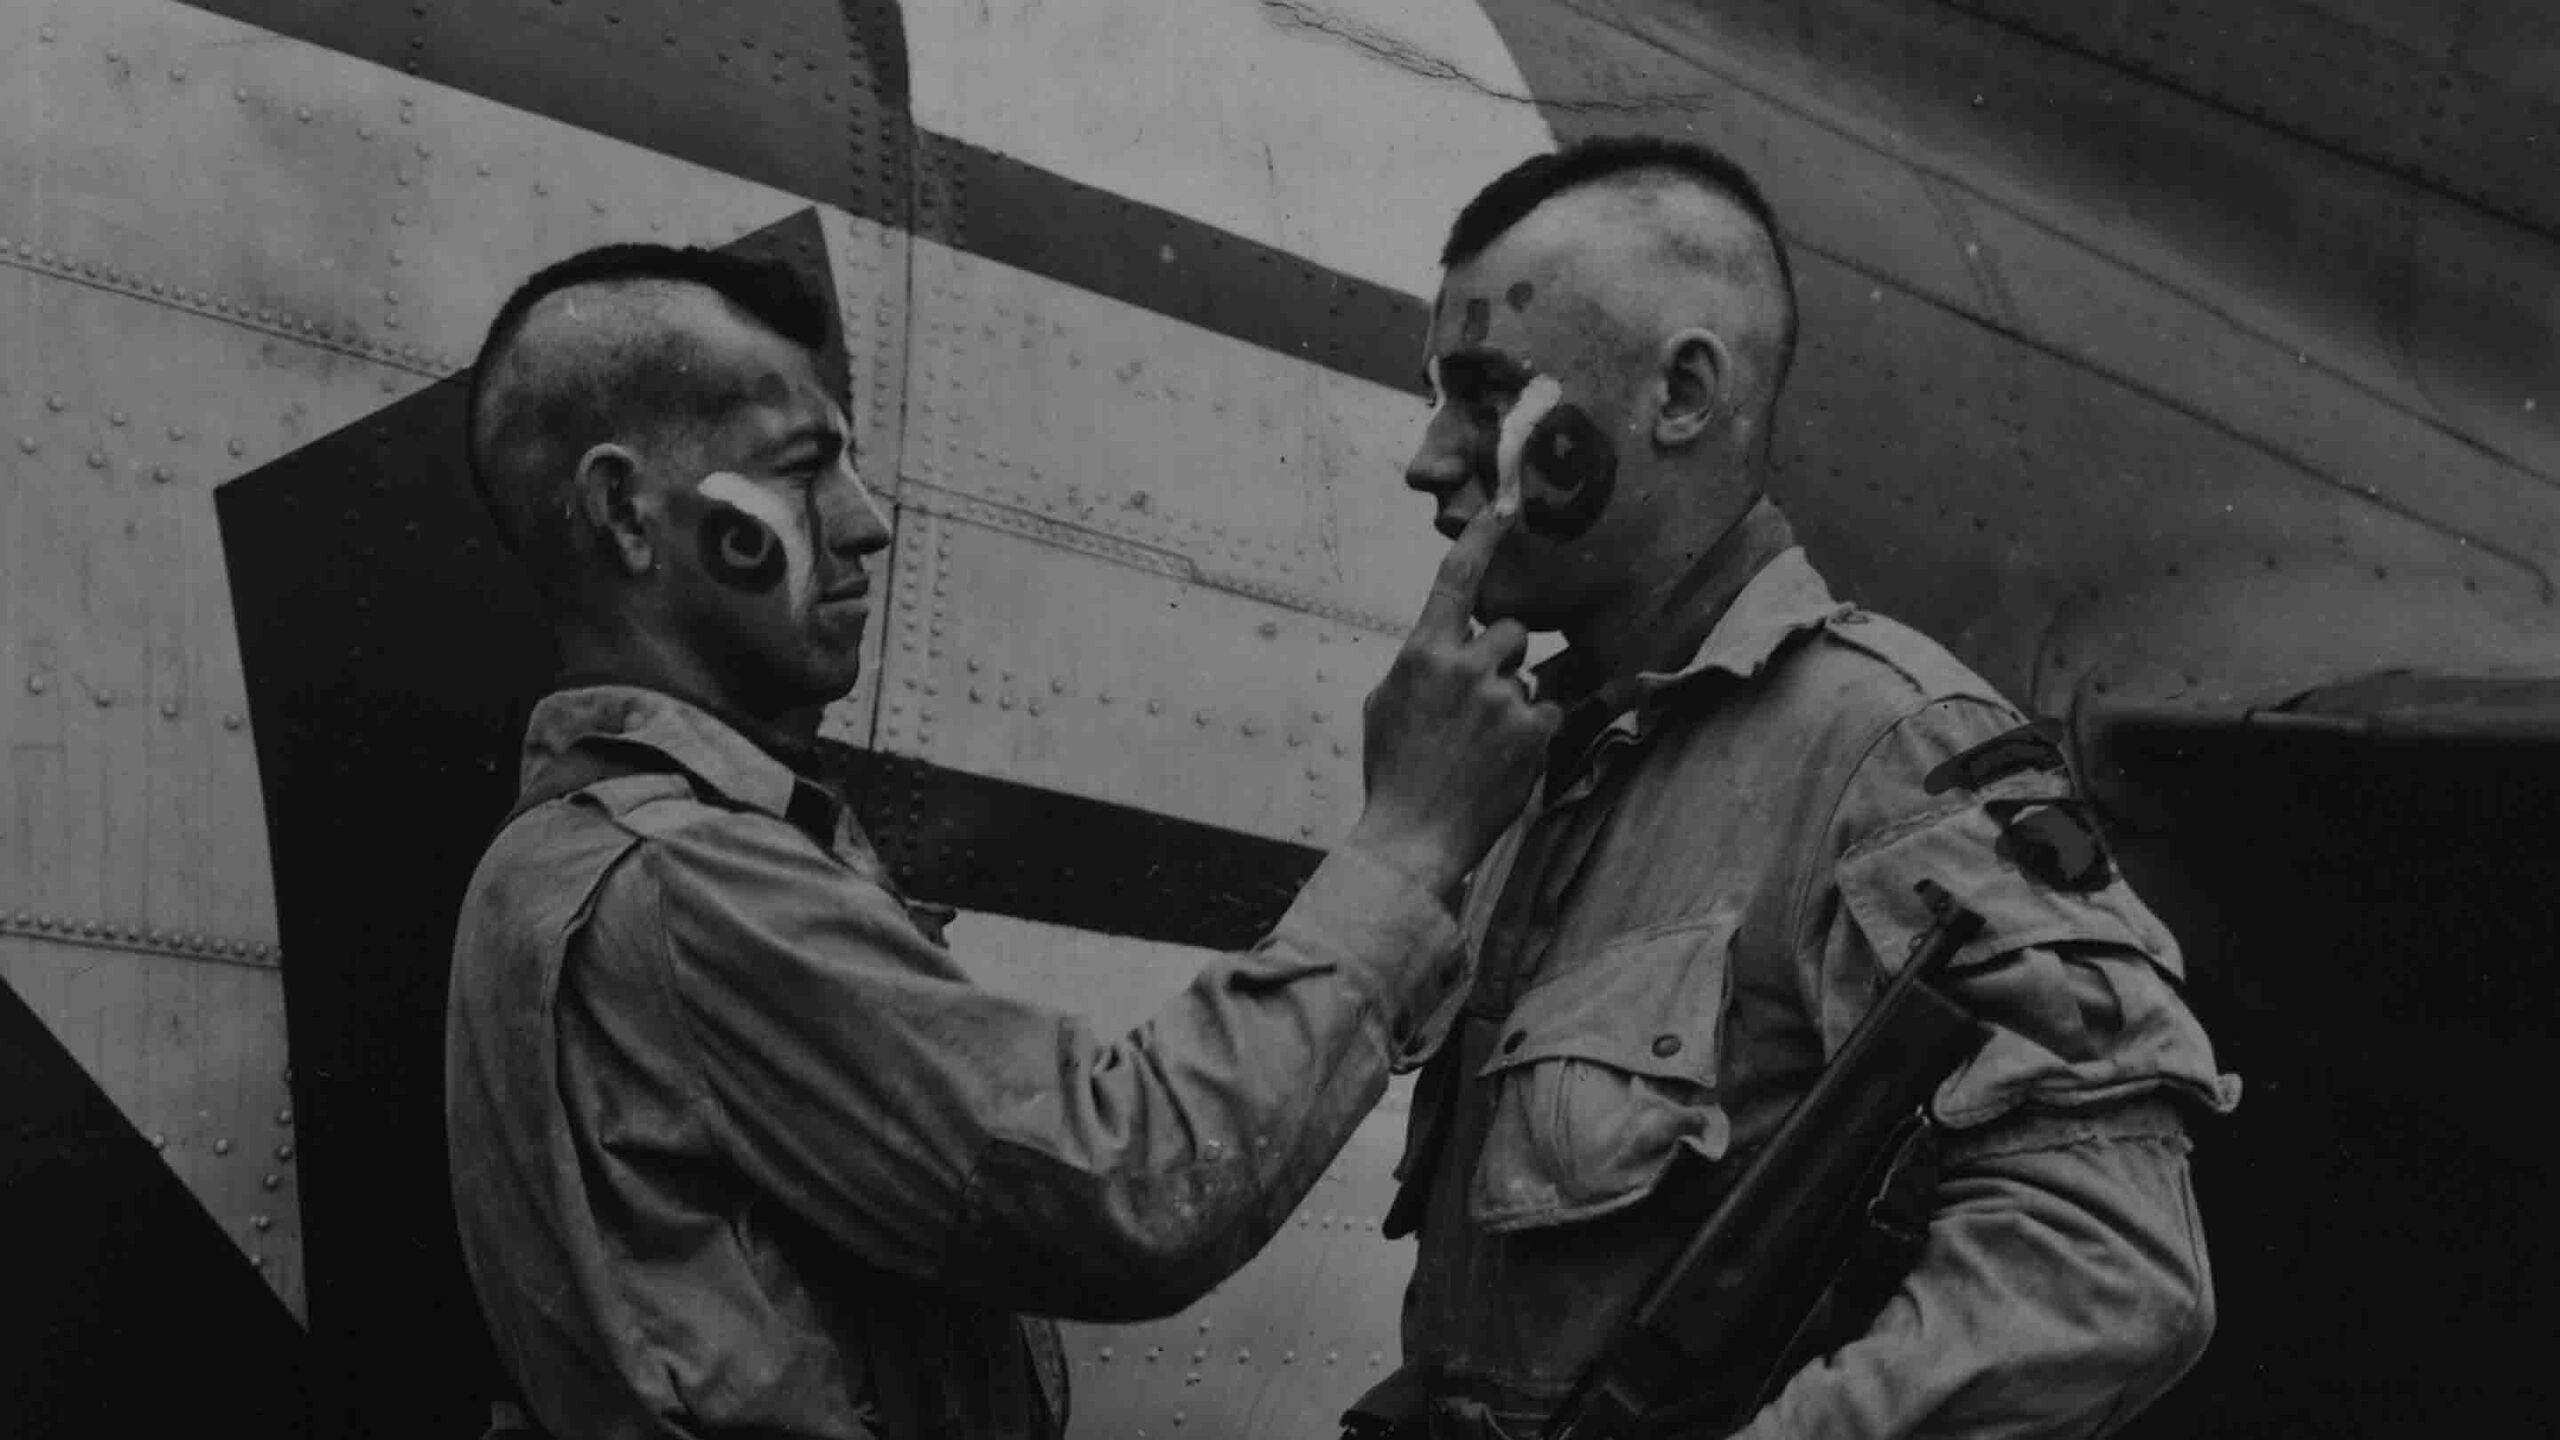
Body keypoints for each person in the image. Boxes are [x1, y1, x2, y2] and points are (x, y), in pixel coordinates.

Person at [442, 242, 1558, 1439]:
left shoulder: (560, 862)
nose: (864, 524)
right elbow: (1125, 1186)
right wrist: (1408, 841)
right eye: (802, 469)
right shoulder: (680, 880)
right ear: (625, 513)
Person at [1358, 137, 2244, 1439]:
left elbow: (2105, 1271)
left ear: (1681, 395)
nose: (1431, 457)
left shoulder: (1894, 752)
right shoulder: (1534, 769)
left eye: (1486, 395)